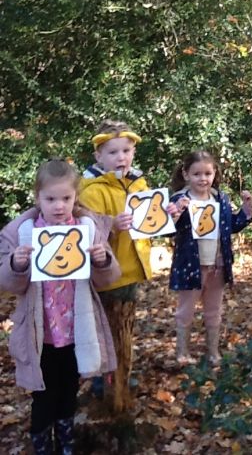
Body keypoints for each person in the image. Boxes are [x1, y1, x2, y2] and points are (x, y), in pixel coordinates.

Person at [0, 159, 119, 454]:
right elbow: (9, 283)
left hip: (77, 330)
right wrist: (17, 264)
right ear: (37, 197)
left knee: (69, 390)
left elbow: (107, 279)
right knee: (43, 394)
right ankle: (42, 443)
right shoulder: (24, 233)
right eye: (51, 199)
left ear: (75, 197)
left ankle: (66, 441)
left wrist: (102, 260)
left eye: (66, 198)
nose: (59, 205)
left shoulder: (86, 230)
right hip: (41, 335)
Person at [79, 119, 152, 412]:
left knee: (124, 331)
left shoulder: (138, 183)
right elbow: (86, 232)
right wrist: (112, 225)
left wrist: (167, 213)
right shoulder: (91, 190)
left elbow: (149, 220)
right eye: (113, 152)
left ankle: (121, 375)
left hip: (132, 268)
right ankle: (104, 383)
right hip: (107, 274)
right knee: (105, 332)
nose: (121, 157)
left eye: (126, 150)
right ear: (99, 155)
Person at [168, 150, 252, 365]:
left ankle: (213, 352)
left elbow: (230, 226)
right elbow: (167, 230)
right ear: (186, 174)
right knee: (186, 310)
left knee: (214, 310)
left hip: (218, 264)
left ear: (214, 173)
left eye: (207, 173)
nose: (203, 179)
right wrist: (175, 214)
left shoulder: (220, 198)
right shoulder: (180, 199)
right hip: (191, 265)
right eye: (197, 174)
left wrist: (246, 212)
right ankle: (182, 352)